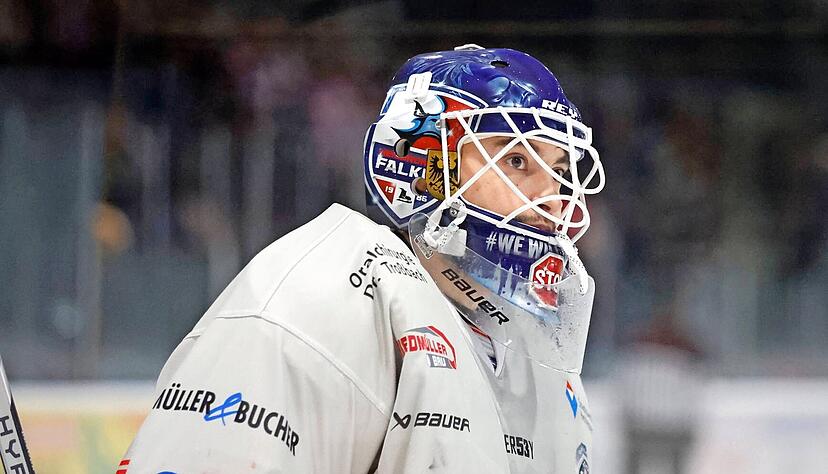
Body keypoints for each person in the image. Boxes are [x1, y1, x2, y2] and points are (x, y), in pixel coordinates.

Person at [119, 44, 605, 473]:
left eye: (558, 170)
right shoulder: (316, 301)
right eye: (519, 160)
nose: (553, 198)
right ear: (422, 163)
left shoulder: (534, 354)